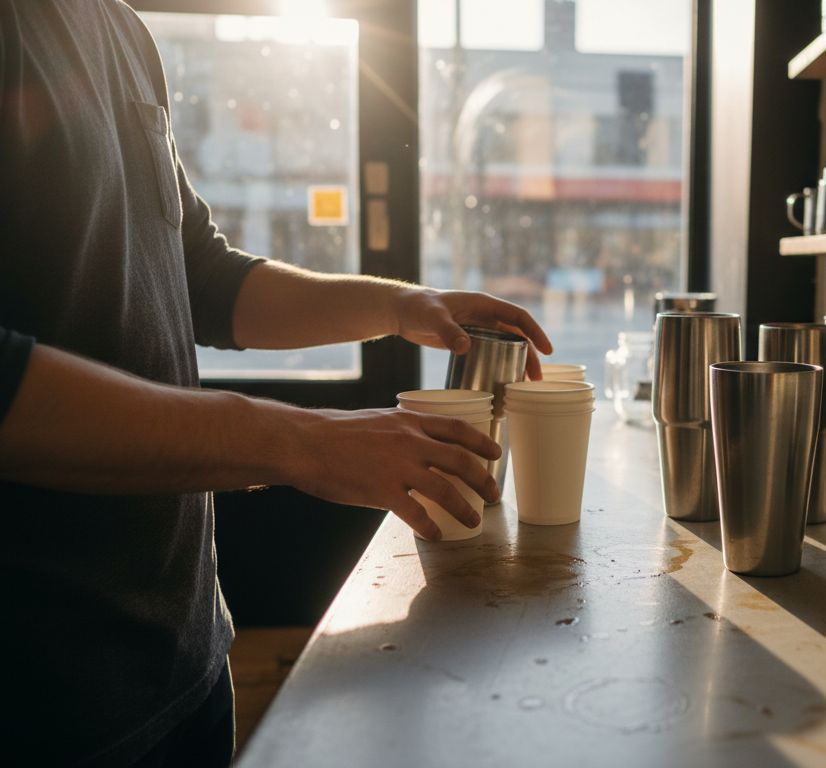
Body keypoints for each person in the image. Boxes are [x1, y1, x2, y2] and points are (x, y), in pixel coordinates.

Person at [0, 2, 553, 764]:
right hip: (44, 702)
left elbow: (202, 276)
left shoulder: (121, 30)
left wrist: (397, 307)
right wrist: (301, 443)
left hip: (184, 660)